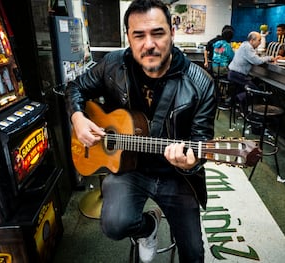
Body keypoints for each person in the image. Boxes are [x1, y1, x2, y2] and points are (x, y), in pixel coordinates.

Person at [65, 0, 216, 262]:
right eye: (139, 35)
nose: (149, 44)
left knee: (193, 253)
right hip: (128, 170)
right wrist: (77, 117)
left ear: (172, 33)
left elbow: (201, 140)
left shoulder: (201, 84)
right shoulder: (113, 65)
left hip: (176, 177)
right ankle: (149, 227)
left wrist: (191, 162)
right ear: (128, 38)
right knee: (114, 225)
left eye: (158, 33)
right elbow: (75, 88)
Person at [227, 31, 276, 115]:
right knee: (255, 91)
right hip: (237, 74)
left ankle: (240, 106)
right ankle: (237, 99)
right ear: (252, 41)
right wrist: (269, 58)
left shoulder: (244, 45)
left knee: (248, 89)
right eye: (259, 40)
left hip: (233, 73)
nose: (260, 42)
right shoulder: (248, 47)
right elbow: (256, 61)